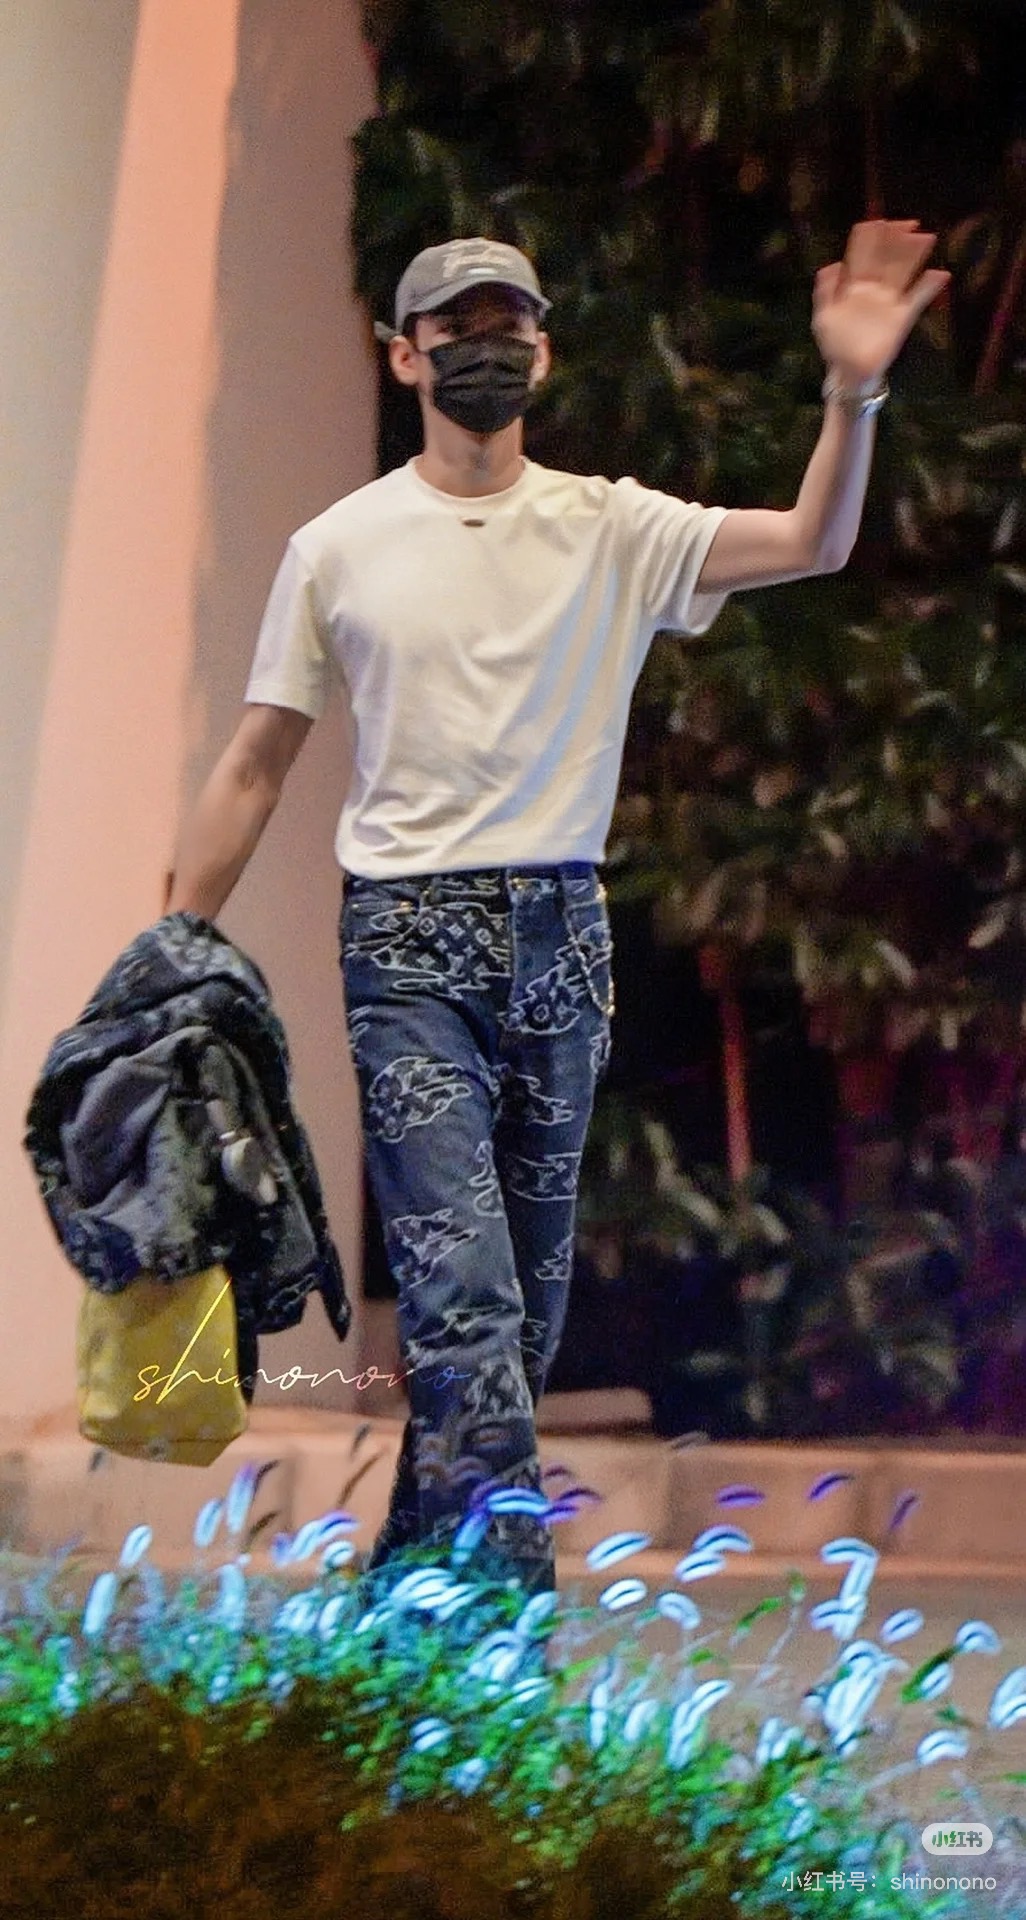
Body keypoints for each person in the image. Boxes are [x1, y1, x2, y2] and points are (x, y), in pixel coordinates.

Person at [167, 226, 949, 1594]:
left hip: (559, 938)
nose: (486, 349)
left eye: (508, 326)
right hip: (407, 944)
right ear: (403, 356)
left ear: (543, 350)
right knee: (462, 1295)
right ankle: (506, 1625)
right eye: (455, 329)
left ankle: (404, 1602)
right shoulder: (338, 547)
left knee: (515, 1325)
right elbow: (254, 760)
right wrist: (175, 945)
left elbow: (813, 541)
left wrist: (852, 391)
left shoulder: (610, 525)